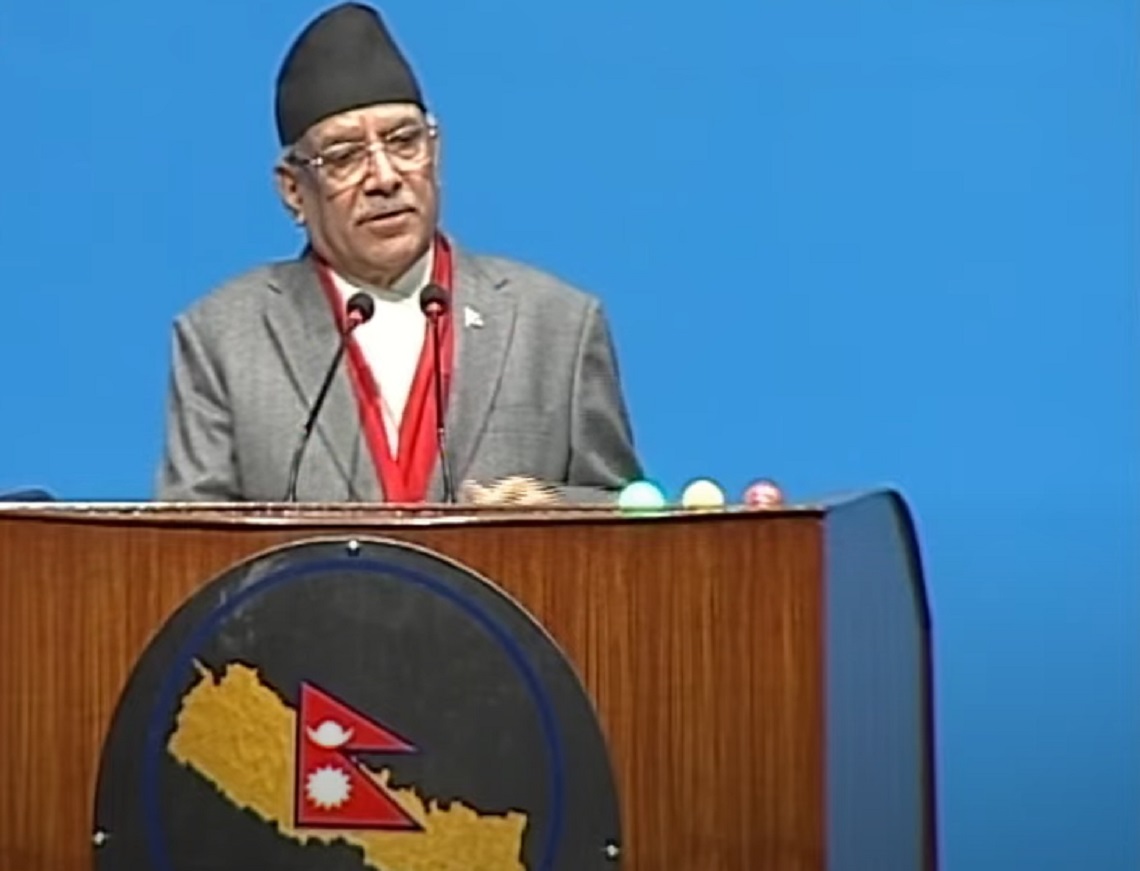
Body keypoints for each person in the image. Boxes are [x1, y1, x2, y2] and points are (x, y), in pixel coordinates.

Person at [155, 2, 642, 504]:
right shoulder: (224, 338)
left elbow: (626, 513)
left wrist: (555, 510)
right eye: (344, 157)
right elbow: (193, 540)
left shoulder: (557, 325)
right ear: (293, 191)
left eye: (404, 142)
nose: (385, 178)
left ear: (436, 151)